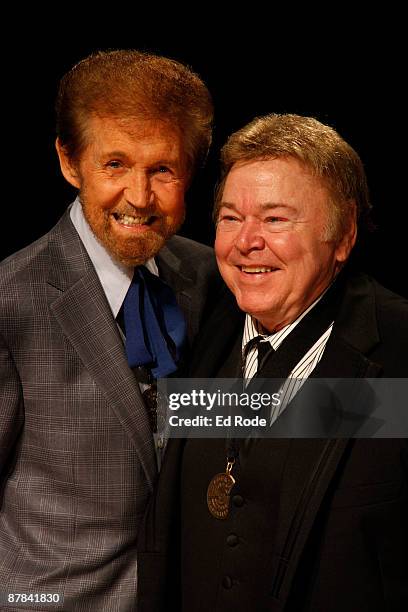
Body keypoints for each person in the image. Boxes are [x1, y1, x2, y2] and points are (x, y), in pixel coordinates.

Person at [138, 114, 408, 611]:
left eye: (275, 218)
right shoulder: (197, 326)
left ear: (343, 235)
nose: (246, 242)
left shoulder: (398, 348)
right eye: (230, 217)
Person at [0, 49, 219, 611]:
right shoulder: (10, 298)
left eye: (162, 169)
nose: (140, 198)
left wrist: (375, 408)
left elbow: (225, 412)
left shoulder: (212, 276)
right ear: (69, 163)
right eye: (114, 164)